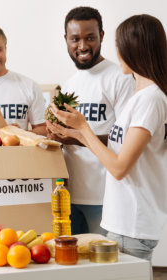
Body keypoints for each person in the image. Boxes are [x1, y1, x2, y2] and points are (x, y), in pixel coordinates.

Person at [49, 14, 167, 275]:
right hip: (123, 223)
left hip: (131, 226)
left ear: (134, 48)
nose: (117, 51)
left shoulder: (151, 99)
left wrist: (82, 128)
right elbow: (119, 148)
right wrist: (75, 135)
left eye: (119, 44)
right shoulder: (143, 96)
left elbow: (119, 167)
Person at [46, 7, 135, 235]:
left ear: (102, 36)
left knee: (104, 267)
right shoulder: (68, 85)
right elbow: (67, 138)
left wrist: (76, 138)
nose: (83, 46)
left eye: (90, 38)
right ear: (66, 39)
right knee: (74, 266)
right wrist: (56, 136)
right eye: (75, 39)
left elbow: (125, 140)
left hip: (106, 197)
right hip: (69, 195)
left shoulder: (120, 78)